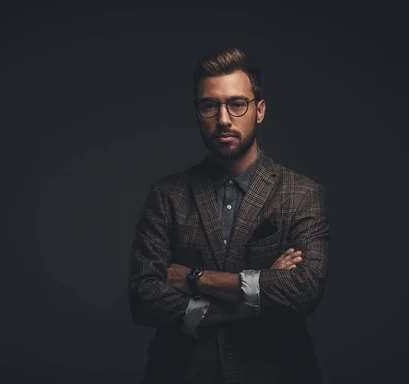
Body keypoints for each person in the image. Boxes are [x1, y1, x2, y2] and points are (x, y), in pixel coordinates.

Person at [128, 46, 331, 384]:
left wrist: (194, 278)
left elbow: (304, 290)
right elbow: (144, 298)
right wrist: (259, 286)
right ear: (197, 111)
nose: (223, 119)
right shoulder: (167, 195)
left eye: (237, 104)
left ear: (260, 110)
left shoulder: (301, 193)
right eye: (210, 105)